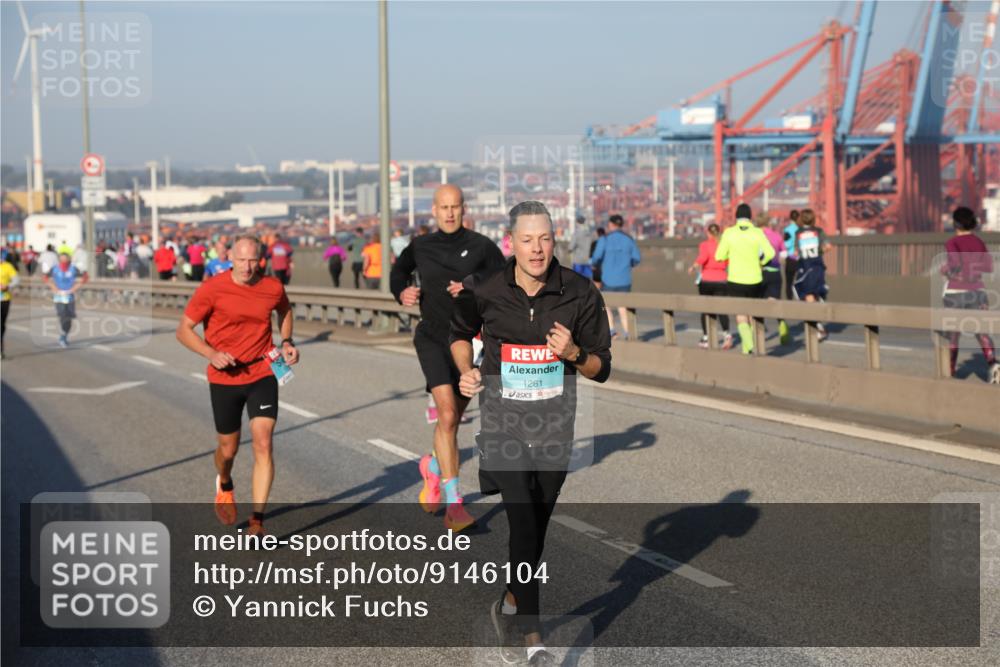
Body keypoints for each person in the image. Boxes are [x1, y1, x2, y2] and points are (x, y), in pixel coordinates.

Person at [450, 200, 611, 666]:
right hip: (503, 422)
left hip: (556, 428)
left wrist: (576, 353)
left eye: (544, 239)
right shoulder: (486, 289)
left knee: (536, 528)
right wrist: (466, 370)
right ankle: (532, 640)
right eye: (527, 240)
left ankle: (510, 600)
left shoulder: (580, 293)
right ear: (512, 243)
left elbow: (602, 369)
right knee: (522, 520)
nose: (536, 249)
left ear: (553, 240)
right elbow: (459, 334)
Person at [390, 184, 505, 532]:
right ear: (435, 211)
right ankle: (455, 505)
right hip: (433, 339)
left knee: (451, 423)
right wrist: (402, 291)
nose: (450, 213)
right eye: (444, 207)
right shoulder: (421, 246)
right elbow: (398, 272)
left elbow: (505, 279)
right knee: (448, 413)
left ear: (464, 208)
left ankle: (434, 469)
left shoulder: (482, 246)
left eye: (456, 206)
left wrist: (473, 286)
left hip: (471, 344)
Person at [176, 235, 299, 537]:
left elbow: (285, 311)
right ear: (230, 256)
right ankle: (225, 481)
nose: (247, 267)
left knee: (264, 441)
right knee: (228, 449)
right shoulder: (212, 288)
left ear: (262, 259)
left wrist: (287, 342)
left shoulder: (271, 287)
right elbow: (183, 330)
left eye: (253, 260)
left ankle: (257, 521)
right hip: (225, 377)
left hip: (262, 371)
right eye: (241, 260)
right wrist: (211, 353)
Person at [940, 206, 998, 383]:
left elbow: (955, 264)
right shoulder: (979, 242)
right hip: (978, 292)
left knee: (953, 334)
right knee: (982, 332)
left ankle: (950, 372)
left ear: (955, 223)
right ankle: (994, 366)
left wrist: (945, 269)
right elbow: (989, 267)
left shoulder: (952, 242)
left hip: (955, 292)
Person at [715, 203, 775, 355]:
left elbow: (719, 256)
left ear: (736, 217)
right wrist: (761, 262)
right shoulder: (757, 232)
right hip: (755, 279)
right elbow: (770, 253)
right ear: (750, 217)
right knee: (751, 312)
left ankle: (747, 344)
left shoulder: (729, 233)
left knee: (740, 314)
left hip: (735, 279)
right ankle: (751, 342)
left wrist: (731, 254)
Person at [590, 214, 641, 339]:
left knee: (605, 305)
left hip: (608, 279)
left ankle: (612, 330)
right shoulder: (629, 239)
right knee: (623, 307)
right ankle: (628, 332)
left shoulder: (605, 239)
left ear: (611, 225)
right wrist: (628, 264)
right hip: (624, 279)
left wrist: (596, 265)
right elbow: (637, 259)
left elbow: (596, 258)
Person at [688, 223, 732, 349]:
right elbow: (729, 261)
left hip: (707, 280)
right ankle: (727, 334)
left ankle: (706, 337)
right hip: (722, 280)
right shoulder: (724, 245)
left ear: (708, 233)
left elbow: (703, 258)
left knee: (706, 309)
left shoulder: (704, 245)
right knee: (721, 309)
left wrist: (694, 266)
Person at [792, 208, 832, 342]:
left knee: (803, 293)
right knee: (814, 293)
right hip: (818, 265)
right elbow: (828, 246)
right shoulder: (819, 232)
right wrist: (818, 250)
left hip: (805, 266)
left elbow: (796, 251)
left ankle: (818, 327)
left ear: (801, 219)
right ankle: (821, 294)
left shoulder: (798, 233)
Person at [757, 213, 790, 345]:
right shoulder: (776, 236)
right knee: (775, 301)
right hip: (775, 272)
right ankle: (782, 324)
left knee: (758, 303)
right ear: (768, 223)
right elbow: (784, 253)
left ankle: (759, 332)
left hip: (760, 272)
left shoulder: (755, 236)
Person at [44, 252, 88, 348]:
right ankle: (63, 335)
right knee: (62, 315)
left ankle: (64, 334)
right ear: (59, 260)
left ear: (69, 260)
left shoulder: (73, 269)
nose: (63, 261)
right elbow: (45, 278)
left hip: (70, 296)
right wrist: (53, 288)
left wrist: (74, 288)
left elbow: (85, 277)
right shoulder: (55, 268)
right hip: (59, 296)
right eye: (62, 259)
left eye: (65, 259)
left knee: (69, 318)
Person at [1, 249, 20, 358]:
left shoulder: (8, 266)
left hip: (4, 299)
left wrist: (7, 286)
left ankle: (1, 349)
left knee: (1, 325)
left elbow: (16, 280)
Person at [782, 210, 800, 301]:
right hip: (799, 259)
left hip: (790, 259)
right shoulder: (800, 229)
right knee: (799, 280)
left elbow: (786, 244)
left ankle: (789, 300)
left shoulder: (787, 230)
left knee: (789, 282)